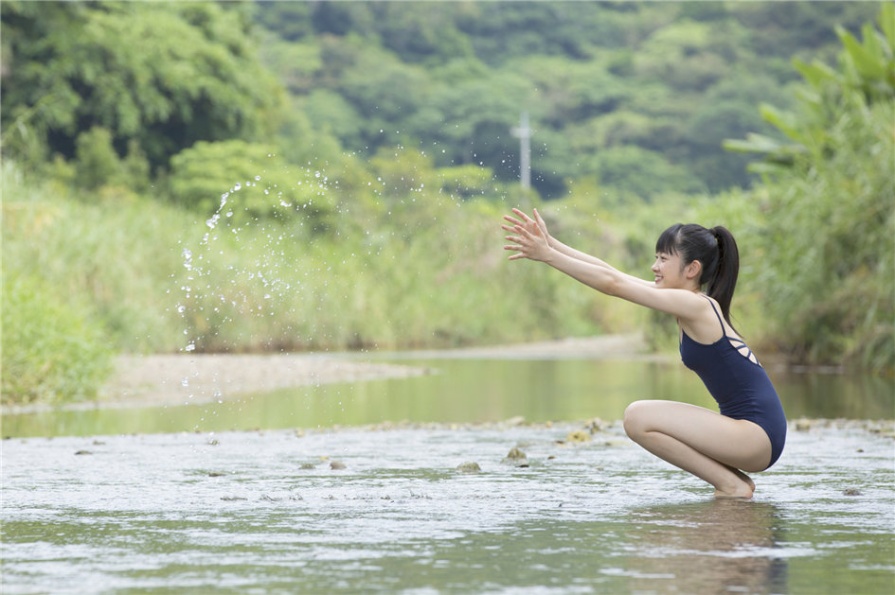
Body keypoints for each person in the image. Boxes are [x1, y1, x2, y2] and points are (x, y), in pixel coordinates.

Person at [502, 208, 786, 498]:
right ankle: (734, 483)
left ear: (692, 269)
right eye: (656, 258)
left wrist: (548, 256)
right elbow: (612, 274)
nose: (654, 266)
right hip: (756, 435)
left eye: (663, 259)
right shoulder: (689, 302)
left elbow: (613, 285)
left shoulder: (698, 306)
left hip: (755, 435)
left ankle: (731, 485)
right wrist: (551, 244)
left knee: (638, 417)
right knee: (639, 416)